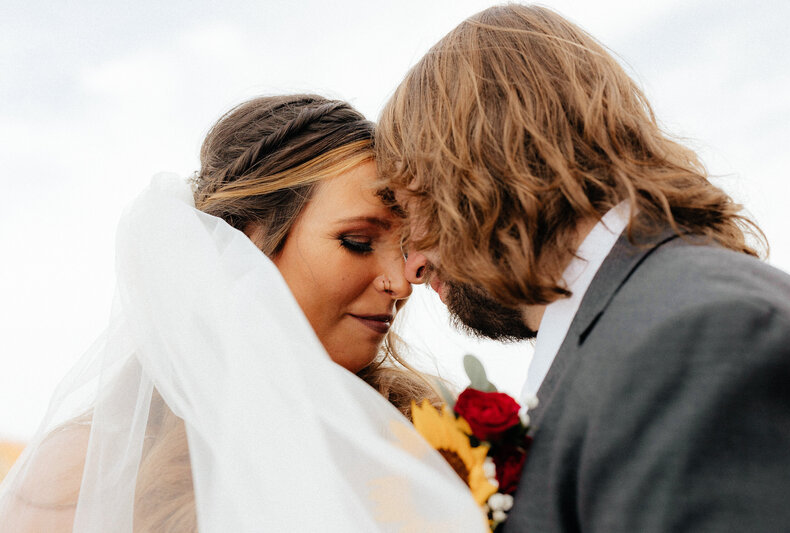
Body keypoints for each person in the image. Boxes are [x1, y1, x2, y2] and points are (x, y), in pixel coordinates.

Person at [376, 4, 790, 532]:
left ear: (475, 167)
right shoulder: (628, 339)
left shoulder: (699, 337)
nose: (412, 266)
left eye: (409, 205)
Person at [0, 95, 485, 532]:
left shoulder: (431, 437)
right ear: (243, 244)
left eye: (405, 247)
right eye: (357, 242)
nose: (401, 282)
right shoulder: (80, 476)